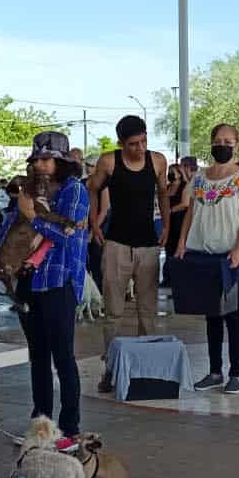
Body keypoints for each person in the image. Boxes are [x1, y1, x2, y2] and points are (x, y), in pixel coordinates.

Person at [0, 132, 89, 438]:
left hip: (58, 282)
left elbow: (68, 237)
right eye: (37, 160)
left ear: (61, 162)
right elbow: (8, 229)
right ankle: (41, 425)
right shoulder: (28, 190)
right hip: (27, 282)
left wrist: (33, 217)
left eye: (47, 159)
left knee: (63, 357)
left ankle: (70, 428)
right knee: (38, 357)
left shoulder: (74, 192)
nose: (41, 165)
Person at [172, 124, 239, 394]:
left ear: (237, 145)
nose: (223, 145)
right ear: (211, 144)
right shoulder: (199, 178)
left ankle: (236, 372)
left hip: (230, 257)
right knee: (211, 315)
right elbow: (190, 213)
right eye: (218, 140)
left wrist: (238, 248)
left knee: (232, 314)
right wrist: (181, 243)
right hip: (201, 255)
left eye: (229, 141)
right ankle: (214, 371)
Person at [87, 115, 170, 390]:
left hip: (148, 244)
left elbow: (163, 194)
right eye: (134, 143)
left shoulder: (157, 161)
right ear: (122, 143)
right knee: (113, 312)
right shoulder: (108, 161)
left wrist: (167, 225)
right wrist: (94, 222)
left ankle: (146, 369)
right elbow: (92, 189)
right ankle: (110, 369)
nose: (140, 148)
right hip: (117, 244)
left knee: (147, 313)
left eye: (144, 141)